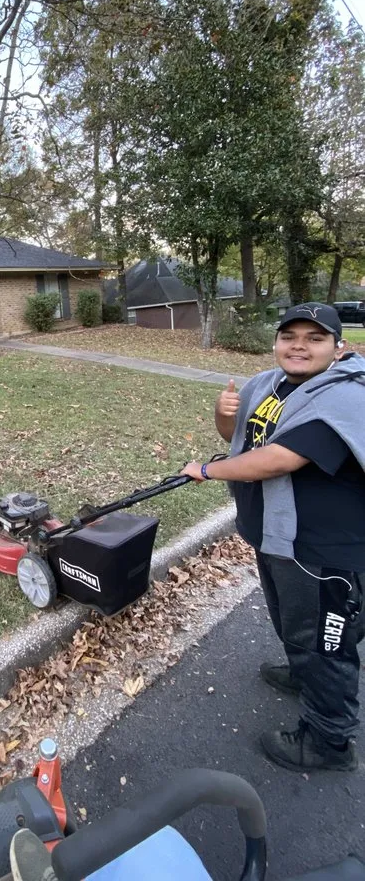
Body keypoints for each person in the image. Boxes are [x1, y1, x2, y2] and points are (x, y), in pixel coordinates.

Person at [181, 302, 365, 773]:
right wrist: (223, 414)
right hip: (275, 535)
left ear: (338, 348)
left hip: (319, 546)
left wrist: (206, 470)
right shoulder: (271, 384)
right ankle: (305, 672)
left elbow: (280, 459)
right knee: (292, 622)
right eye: (290, 335)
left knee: (324, 643)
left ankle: (328, 742)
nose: (299, 345)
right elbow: (242, 438)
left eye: (314, 337)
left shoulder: (344, 396)